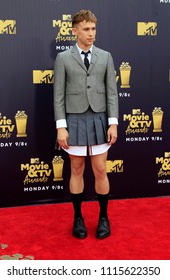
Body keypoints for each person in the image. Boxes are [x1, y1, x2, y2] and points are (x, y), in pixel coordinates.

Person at [53, 9, 119, 239]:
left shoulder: (106, 57)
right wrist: (61, 126)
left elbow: (112, 92)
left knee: (101, 169)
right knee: (77, 169)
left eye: (93, 29)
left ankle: (103, 217)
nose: (91, 34)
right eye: (86, 29)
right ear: (75, 31)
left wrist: (113, 123)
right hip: (74, 120)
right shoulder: (62, 59)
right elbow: (58, 95)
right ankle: (78, 218)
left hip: (100, 119)